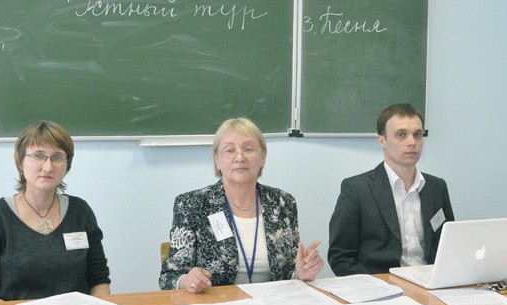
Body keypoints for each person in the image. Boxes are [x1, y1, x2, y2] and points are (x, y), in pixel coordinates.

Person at [159, 117, 323, 292]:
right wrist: (187, 281)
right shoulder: (192, 205)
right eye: (229, 150)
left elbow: (288, 272)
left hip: (273, 303)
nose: (240, 157)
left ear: (263, 156)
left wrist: (300, 274)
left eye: (248, 149)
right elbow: (169, 278)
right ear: (217, 159)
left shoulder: (283, 203)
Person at [0, 121, 111, 302]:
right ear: (20, 161)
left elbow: (99, 279)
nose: (48, 167)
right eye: (38, 156)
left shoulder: (80, 211)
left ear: (67, 164)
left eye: (57, 157)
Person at [328, 103, 455, 275]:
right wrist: (376, 286)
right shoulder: (357, 189)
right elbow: (340, 257)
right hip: (381, 284)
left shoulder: (437, 187)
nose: (412, 142)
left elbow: (449, 245)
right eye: (401, 135)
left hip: (429, 282)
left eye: (417, 134)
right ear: (382, 141)